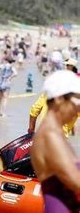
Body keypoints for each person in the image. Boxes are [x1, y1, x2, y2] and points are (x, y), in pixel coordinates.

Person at [30, 71, 80, 212]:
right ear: (59, 99)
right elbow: (76, 182)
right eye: (77, 101)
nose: (78, 108)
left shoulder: (56, 135)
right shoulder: (49, 135)